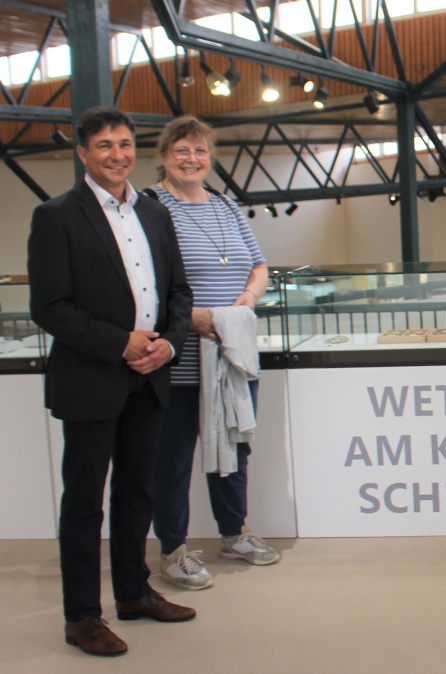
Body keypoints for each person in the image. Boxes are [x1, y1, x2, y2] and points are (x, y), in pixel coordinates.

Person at [27, 107, 195, 656]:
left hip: (150, 375)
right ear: (83, 153)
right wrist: (119, 342)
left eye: (124, 144)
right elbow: (49, 307)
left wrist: (168, 343)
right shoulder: (56, 216)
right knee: (84, 501)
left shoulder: (154, 212)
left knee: (137, 490)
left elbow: (178, 292)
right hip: (92, 377)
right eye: (104, 146)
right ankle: (82, 616)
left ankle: (133, 592)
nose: (117, 154)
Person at [146, 115, 279, 592]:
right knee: (173, 457)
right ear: (163, 157)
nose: (191, 159)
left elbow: (259, 265)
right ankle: (174, 549)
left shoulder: (225, 205)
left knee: (234, 448)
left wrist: (248, 301)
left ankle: (233, 533)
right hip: (180, 357)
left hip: (232, 352)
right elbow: (148, 281)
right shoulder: (150, 206)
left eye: (200, 151)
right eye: (181, 151)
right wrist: (193, 318)